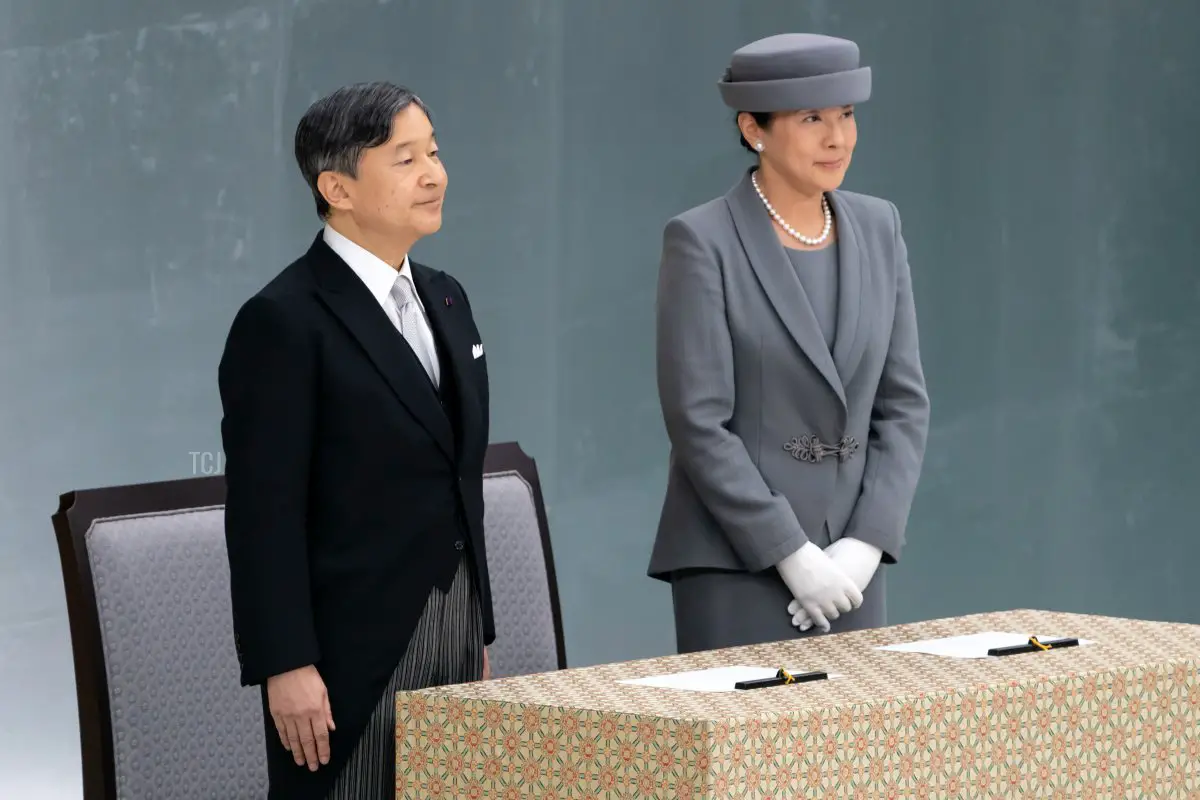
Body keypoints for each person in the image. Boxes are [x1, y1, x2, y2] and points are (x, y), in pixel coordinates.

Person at [218, 81, 495, 800]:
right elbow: (263, 511)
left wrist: (476, 628)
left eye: (433, 152)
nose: (435, 174)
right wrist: (286, 664)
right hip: (348, 653)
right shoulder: (283, 321)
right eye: (405, 159)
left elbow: (456, 477)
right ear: (337, 186)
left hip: (454, 627)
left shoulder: (447, 296)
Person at [647, 33, 931, 653]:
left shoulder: (881, 226)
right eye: (811, 119)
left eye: (847, 115)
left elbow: (904, 404)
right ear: (754, 129)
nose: (838, 138)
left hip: (850, 574)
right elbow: (699, 422)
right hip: (735, 563)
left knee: (851, 750)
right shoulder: (701, 241)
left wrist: (866, 543)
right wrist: (791, 554)